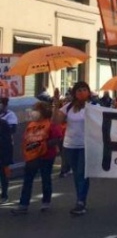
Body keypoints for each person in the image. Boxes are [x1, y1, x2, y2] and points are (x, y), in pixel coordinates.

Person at [11, 101, 64, 214]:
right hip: (31, 156)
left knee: (45, 178)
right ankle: (23, 204)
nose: (34, 112)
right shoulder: (31, 125)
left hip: (46, 156)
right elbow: (26, 139)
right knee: (28, 180)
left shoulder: (50, 124)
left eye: (36, 109)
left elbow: (58, 138)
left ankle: (46, 202)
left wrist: (43, 145)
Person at [55, 81, 93, 215]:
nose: (81, 92)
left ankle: (81, 202)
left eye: (84, 89)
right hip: (70, 145)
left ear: (88, 92)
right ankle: (80, 198)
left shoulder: (93, 106)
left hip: (85, 145)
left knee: (82, 173)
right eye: (78, 90)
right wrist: (55, 102)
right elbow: (56, 122)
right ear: (74, 93)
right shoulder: (68, 107)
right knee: (76, 174)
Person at [0, 117, 11, 204]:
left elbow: (7, 141)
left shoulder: (3, 124)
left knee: (3, 175)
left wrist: (8, 158)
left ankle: (4, 194)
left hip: (3, 154)